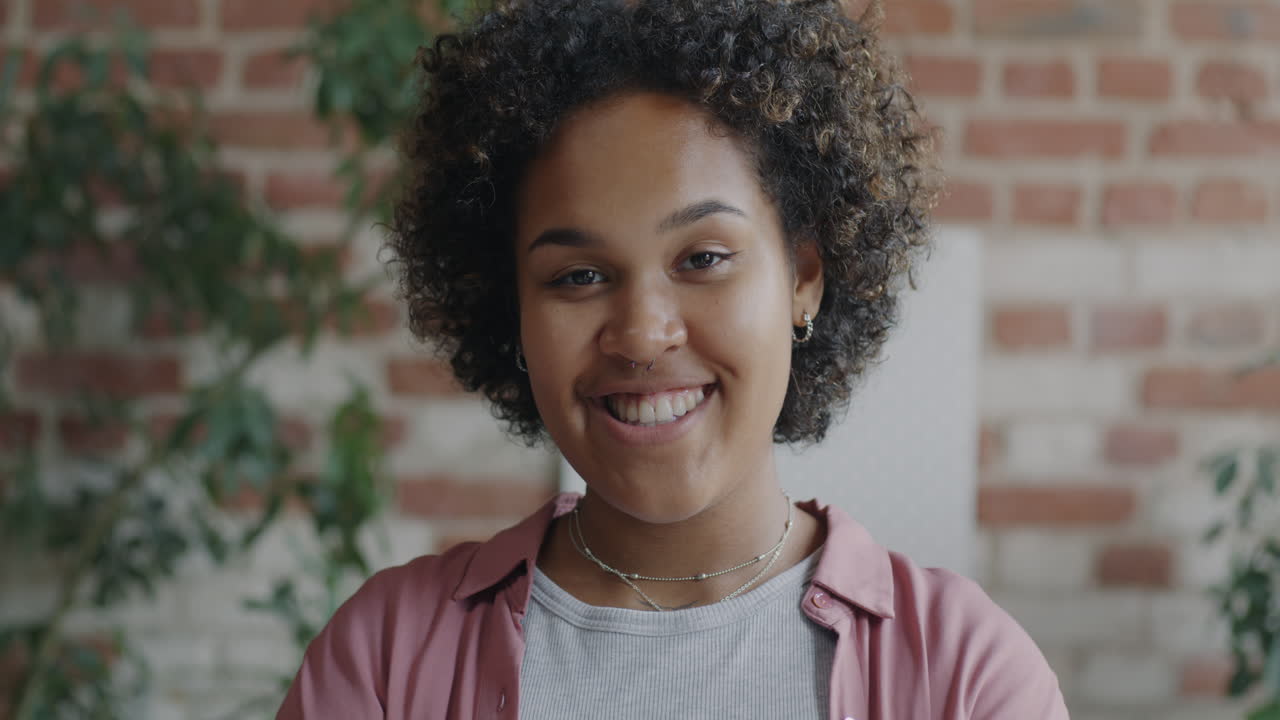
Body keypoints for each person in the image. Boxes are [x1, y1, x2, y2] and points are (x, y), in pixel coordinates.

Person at [277, 0, 1070, 718]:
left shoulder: (966, 676)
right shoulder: (386, 660)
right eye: (577, 276)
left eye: (703, 259)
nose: (642, 334)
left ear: (802, 278)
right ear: (510, 305)